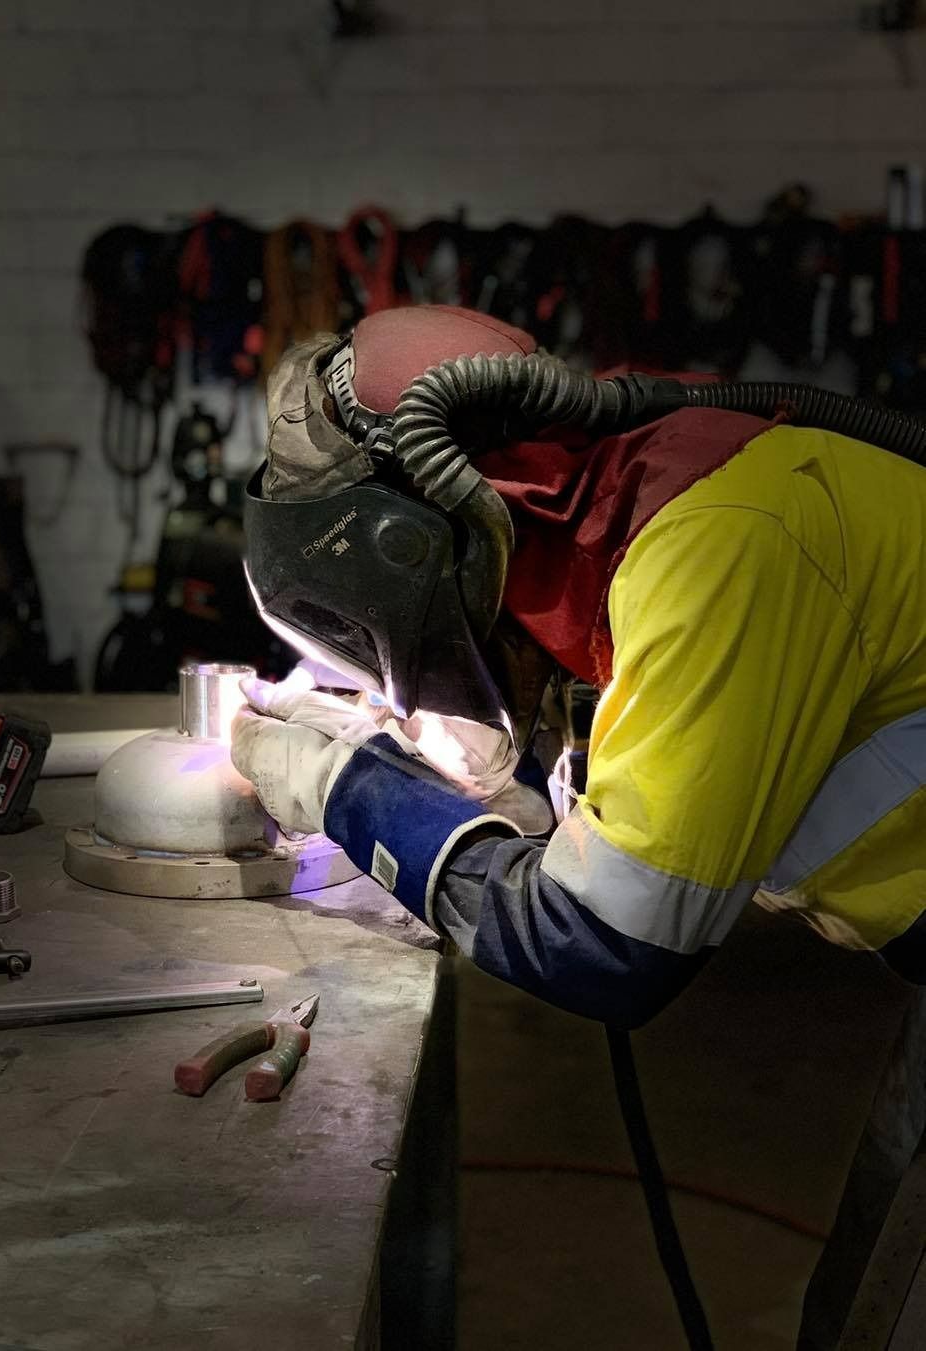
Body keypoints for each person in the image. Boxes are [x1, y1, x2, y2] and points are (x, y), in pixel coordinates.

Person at [230, 305, 926, 1347]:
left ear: (410, 544)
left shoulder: (722, 545)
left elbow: (605, 946)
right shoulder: (656, 492)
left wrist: (349, 789)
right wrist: (518, 795)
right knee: (863, 1306)